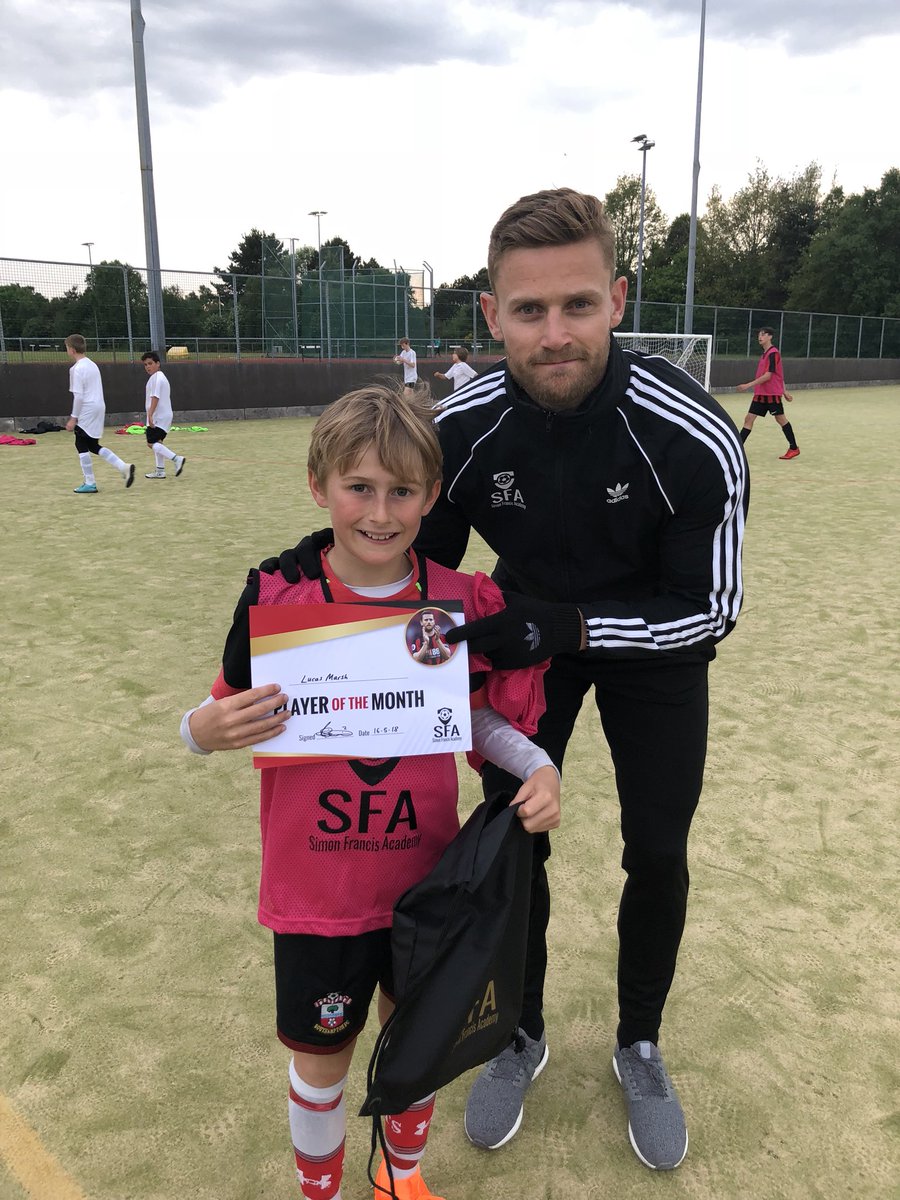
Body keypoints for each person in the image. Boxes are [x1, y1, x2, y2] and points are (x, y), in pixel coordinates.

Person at [263, 188, 749, 1174]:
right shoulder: (464, 423)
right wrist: (289, 629)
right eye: (529, 311)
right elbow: (410, 581)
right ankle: (518, 1031)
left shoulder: (695, 434)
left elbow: (710, 609)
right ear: (491, 315)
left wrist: (570, 622)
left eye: (577, 305)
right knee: (509, 847)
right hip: (519, 652)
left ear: (616, 300)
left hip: (655, 654)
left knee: (656, 851)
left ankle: (639, 1043)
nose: (555, 333)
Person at [181, 384, 560, 1200]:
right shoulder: (279, 598)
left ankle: (400, 1178)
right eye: (360, 487)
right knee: (322, 1063)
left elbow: (474, 720)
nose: (380, 511)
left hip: (427, 886)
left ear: (430, 494)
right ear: (320, 485)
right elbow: (217, 713)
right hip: (318, 891)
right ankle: (321, 1191)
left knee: (413, 1042)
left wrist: (535, 763)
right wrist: (199, 732)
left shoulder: (455, 604)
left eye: (402, 490)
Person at [64, 334, 134, 493]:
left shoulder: (76, 369)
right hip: (99, 407)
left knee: (80, 443)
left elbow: (79, 396)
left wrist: (73, 418)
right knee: (93, 445)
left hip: (87, 409)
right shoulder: (92, 365)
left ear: (72, 350)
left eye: (67, 347)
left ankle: (90, 483)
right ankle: (123, 467)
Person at [736, 328, 799, 459]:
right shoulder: (765, 354)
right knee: (749, 419)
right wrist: (785, 390)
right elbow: (779, 374)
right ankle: (737, 448)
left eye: (763, 334)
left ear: (770, 337)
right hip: (761, 394)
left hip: (771, 395)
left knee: (780, 419)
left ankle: (794, 448)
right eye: (759, 334)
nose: (760, 336)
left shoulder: (773, 353)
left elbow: (769, 376)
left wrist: (748, 385)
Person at [140, 351, 186, 479]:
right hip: (163, 416)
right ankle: (160, 471)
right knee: (158, 443)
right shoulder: (157, 377)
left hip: (158, 417)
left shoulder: (157, 378)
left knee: (151, 443)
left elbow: (155, 397)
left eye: (150, 363)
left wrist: (150, 414)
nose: (148, 367)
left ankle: (176, 459)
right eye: (145, 365)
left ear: (158, 364)